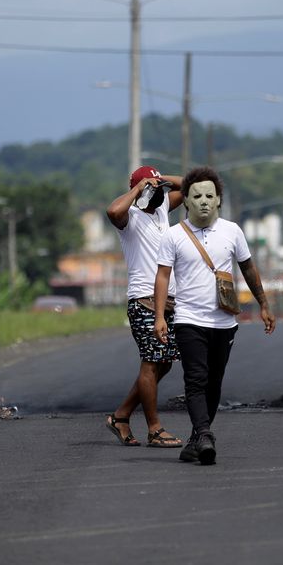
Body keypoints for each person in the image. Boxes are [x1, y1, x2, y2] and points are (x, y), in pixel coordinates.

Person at [153, 166, 275, 465]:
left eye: (210, 195)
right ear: (187, 201)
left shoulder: (232, 231)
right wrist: (159, 317)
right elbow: (162, 277)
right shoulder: (173, 235)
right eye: (197, 196)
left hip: (224, 321)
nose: (204, 201)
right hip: (188, 320)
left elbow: (248, 268)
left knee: (215, 380)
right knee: (195, 379)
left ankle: (197, 439)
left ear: (219, 200)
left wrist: (263, 303)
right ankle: (206, 434)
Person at [104, 165, 184, 448]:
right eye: (154, 191)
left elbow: (188, 186)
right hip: (144, 302)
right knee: (151, 364)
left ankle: (121, 416)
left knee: (164, 365)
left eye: (160, 191)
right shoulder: (131, 218)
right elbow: (113, 212)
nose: (160, 195)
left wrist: (161, 181)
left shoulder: (162, 210)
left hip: (169, 303)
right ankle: (155, 429)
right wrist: (139, 188)